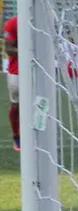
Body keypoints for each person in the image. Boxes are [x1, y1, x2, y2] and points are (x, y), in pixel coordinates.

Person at [3, 15, 19, 151]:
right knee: (17, 105)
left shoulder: (45, 22)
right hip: (17, 72)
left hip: (39, 70)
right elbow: (9, 49)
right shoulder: (12, 23)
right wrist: (29, 54)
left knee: (41, 102)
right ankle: (17, 136)